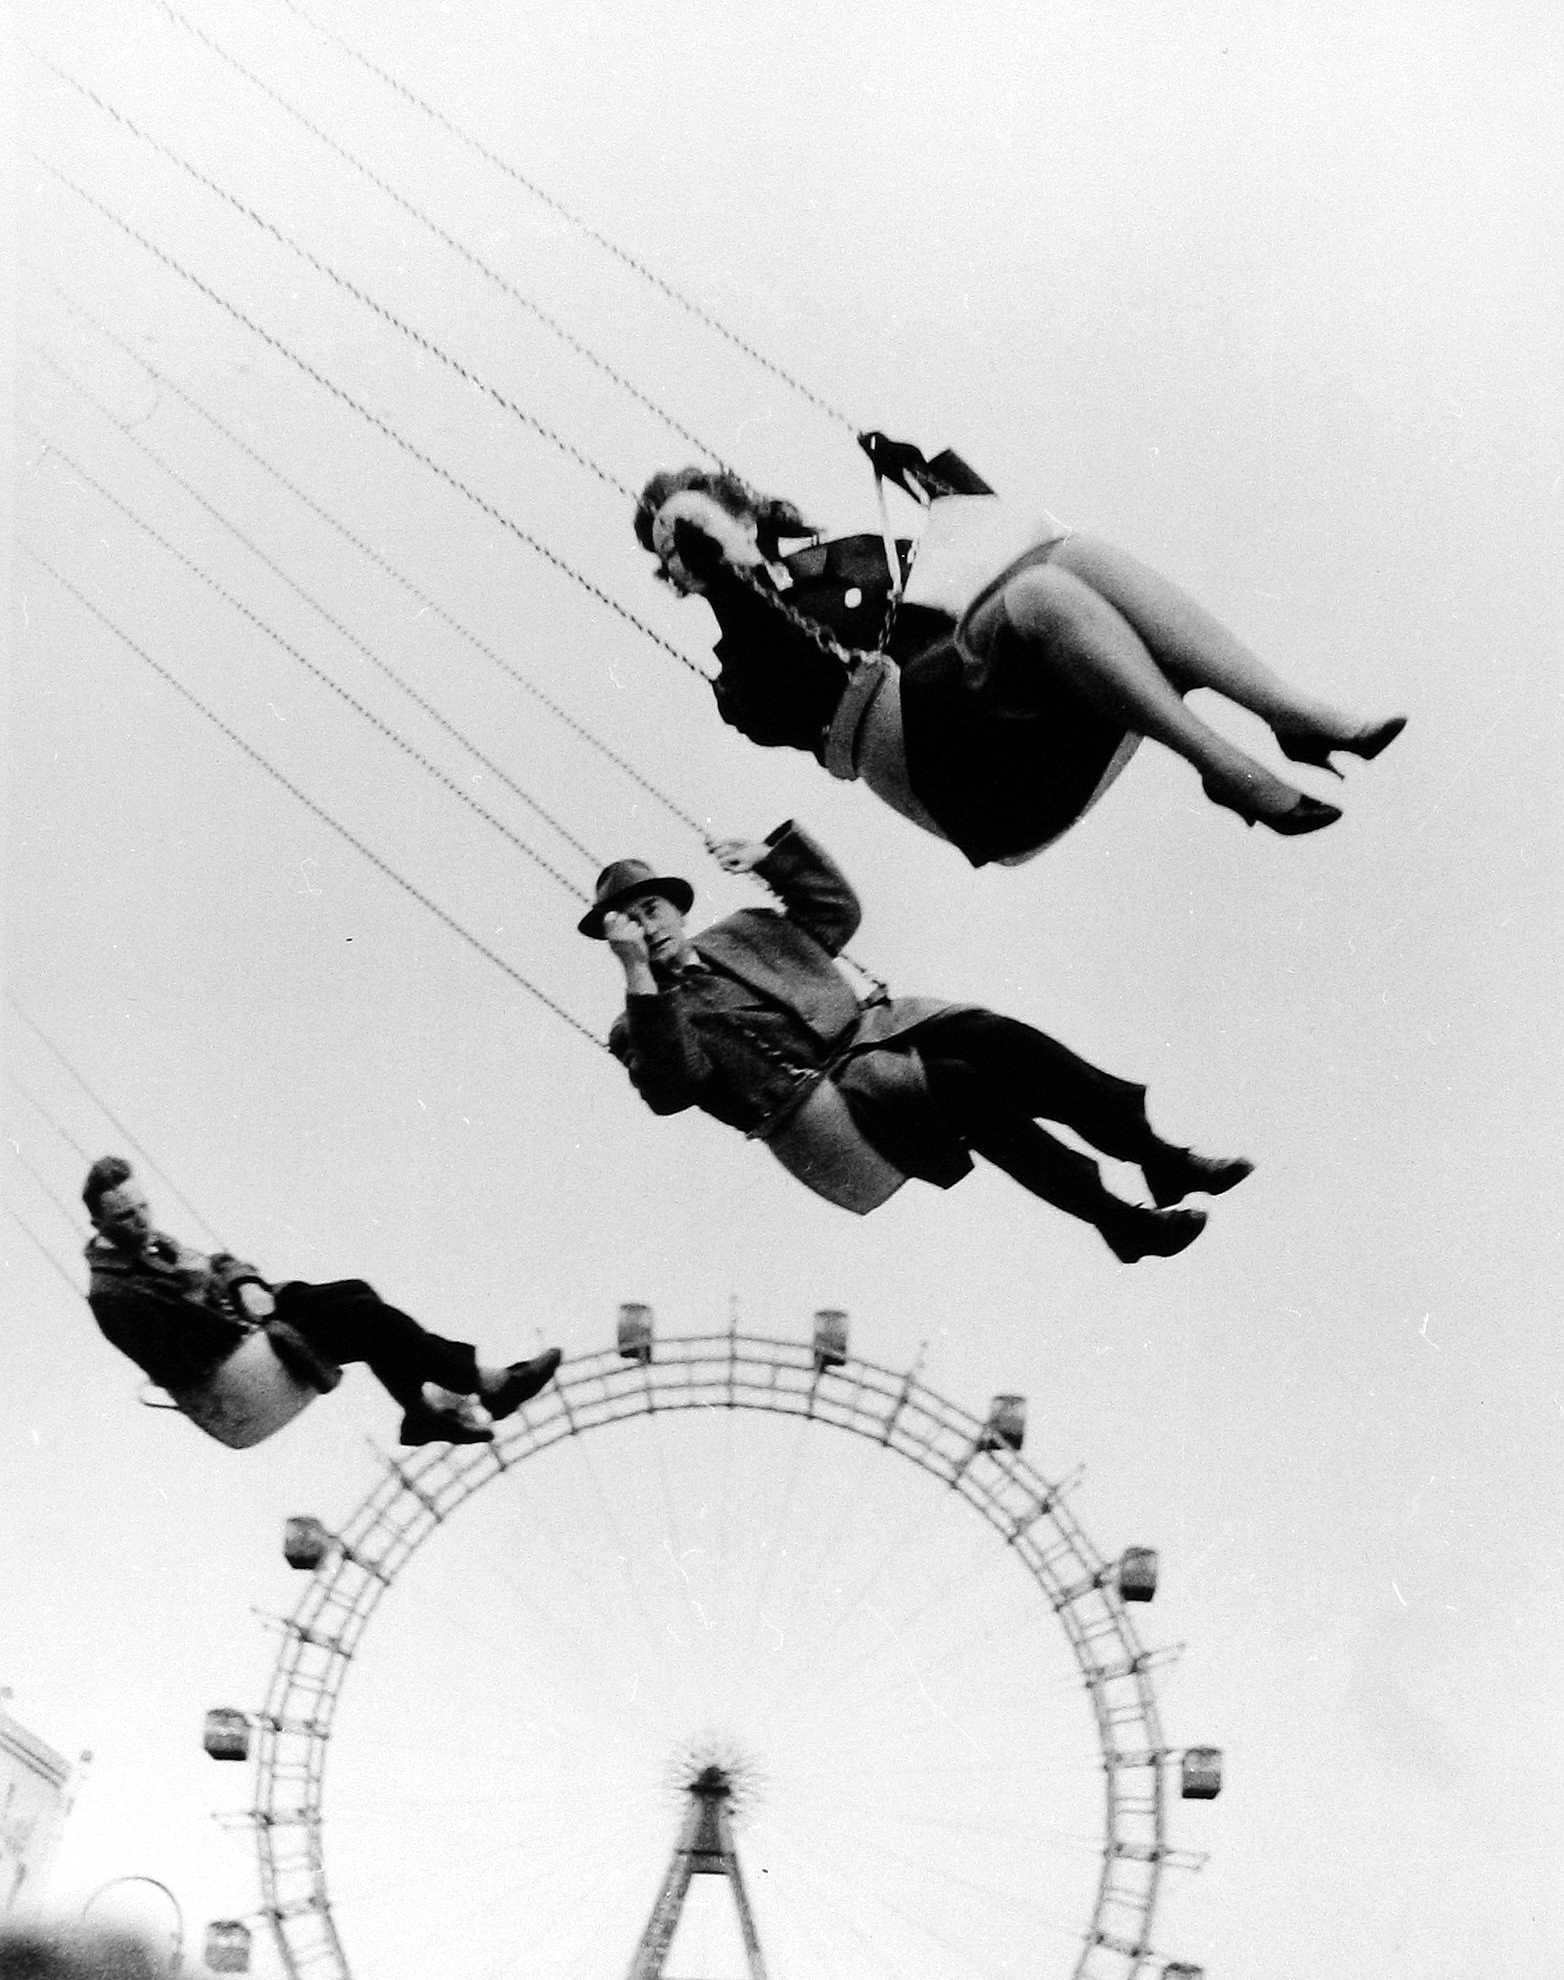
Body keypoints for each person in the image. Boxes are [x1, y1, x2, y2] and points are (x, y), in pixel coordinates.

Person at [634, 450, 1405, 865]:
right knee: (1037, 597)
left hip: (1017, 719)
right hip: (944, 769)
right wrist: (730, 576)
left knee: (1071, 564)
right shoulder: (737, 672)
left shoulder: (859, 555)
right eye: (690, 551)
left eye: (716, 518)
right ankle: (1224, 767)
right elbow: (790, 684)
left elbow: (987, 558)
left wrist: (938, 481)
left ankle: (1287, 714)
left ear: (744, 505)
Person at [583, 822, 1253, 1260]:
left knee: (998, 1039)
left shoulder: (742, 930)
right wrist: (638, 973)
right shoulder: (639, 1018)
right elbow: (672, 1086)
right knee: (965, 1087)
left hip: (884, 1025)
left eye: (653, 909)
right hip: (835, 1096)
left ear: (676, 908)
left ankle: (1156, 1154)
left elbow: (834, 914)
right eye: (633, 923)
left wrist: (774, 862)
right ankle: (1117, 1218)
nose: (649, 926)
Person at [81, 1157, 560, 1445]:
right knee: (363, 1316)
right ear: (98, 1225)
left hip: (249, 1317)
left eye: (144, 1207)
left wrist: (242, 1281)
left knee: (357, 1291)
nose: (141, 1222)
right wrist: (208, 1297)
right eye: (124, 1217)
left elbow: (219, 1262)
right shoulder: (112, 1295)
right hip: (233, 1363)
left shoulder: (149, 1244)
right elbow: (175, 1360)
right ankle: (487, 1383)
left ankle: (420, 1413)